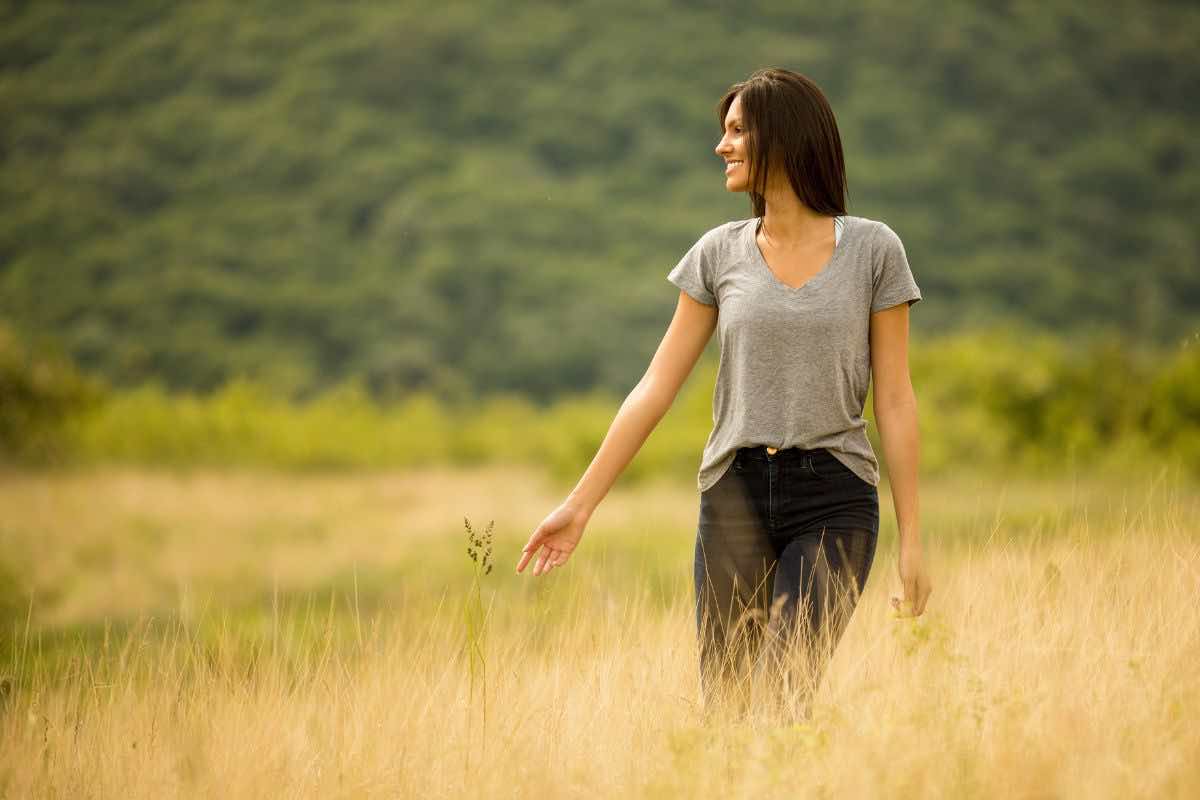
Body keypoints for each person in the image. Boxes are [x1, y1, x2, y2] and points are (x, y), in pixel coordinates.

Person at [516, 67, 931, 718]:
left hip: (835, 497)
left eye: (738, 131)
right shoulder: (718, 254)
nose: (722, 145)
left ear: (785, 136)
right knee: (730, 710)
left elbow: (897, 401)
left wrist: (912, 538)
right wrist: (579, 506)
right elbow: (655, 387)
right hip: (732, 495)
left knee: (784, 693)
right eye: (724, 132)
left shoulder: (874, 251)